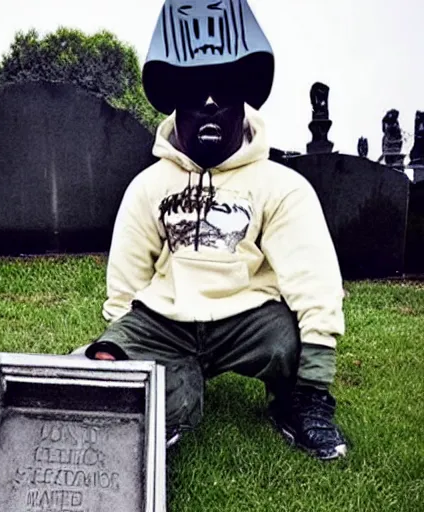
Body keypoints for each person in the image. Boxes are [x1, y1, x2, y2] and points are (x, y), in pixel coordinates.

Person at [74, 0, 347, 460]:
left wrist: (315, 373)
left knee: (289, 342)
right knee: (143, 382)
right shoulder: (149, 186)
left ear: (243, 104)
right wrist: (120, 337)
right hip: (167, 320)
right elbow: (128, 269)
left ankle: (297, 405)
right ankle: (134, 392)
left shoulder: (281, 186)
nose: (209, 106)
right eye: (194, 93)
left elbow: (312, 277)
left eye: (222, 91)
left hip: (246, 320)